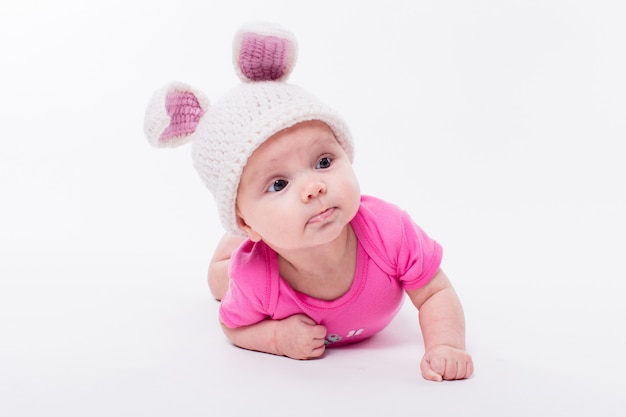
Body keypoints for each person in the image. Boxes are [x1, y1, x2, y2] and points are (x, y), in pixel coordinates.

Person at [144, 22, 473, 382]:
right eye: (279, 183)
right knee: (222, 280)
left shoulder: (390, 231)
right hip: (253, 255)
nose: (314, 187)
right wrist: (275, 337)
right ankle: (232, 245)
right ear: (246, 221)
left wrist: (446, 346)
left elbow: (435, 292)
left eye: (323, 162)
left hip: (271, 237)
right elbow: (231, 326)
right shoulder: (256, 279)